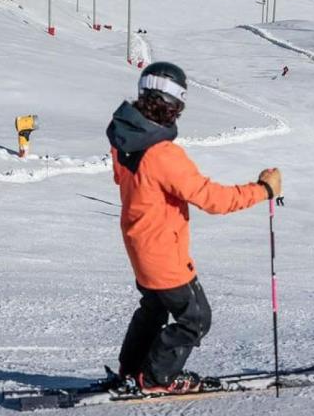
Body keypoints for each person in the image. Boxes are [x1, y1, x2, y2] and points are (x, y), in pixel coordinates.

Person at [106, 62, 282, 395]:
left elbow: (125, 179)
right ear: (171, 105)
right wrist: (264, 190)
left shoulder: (125, 139)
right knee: (195, 319)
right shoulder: (163, 154)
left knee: (154, 308)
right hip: (163, 254)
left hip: (139, 246)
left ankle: (131, 371)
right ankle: (157, 378)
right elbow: (212, 199)